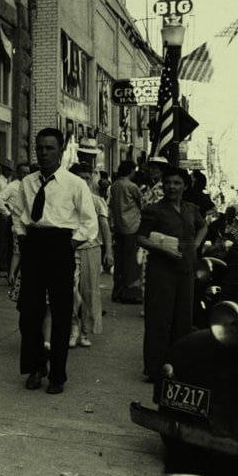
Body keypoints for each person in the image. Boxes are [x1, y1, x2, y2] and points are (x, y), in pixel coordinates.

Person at [11, 127, 98, 395]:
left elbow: (89, 223)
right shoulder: (28, 182)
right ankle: (36, 366)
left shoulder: (75, 184)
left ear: (61, 151)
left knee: (61, 313)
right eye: (40, 148)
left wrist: (68, 245)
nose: (44, 153)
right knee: (28, 313)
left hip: (61, 247)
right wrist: (23, 239)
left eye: (50, 148)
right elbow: (19, 214)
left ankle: (58, 374)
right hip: (34, 246)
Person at [137, 166, 207, 380]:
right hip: (162, 271)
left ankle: (177, 366)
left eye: (177, 183)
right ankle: (155, 368)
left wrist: (194, 246)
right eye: (168, 182)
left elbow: (203, 227)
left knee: (183, 319)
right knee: (159, 318)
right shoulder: (154, 210)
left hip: (186, 270)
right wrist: (162, 249)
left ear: (186, 186)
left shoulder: (190, 209)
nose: (171, 187)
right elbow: (140, 238)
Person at [68, 163, 113, 348]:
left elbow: (104, 227)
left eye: (87, 178)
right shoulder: (66, 199)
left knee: (89, 291)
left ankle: (85, 331)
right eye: (80, 178)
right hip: (69, 249)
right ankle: (73, 327)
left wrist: (108, 251)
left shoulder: (96, 201)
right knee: (70, 290)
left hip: (91, 249)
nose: (84, 182)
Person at [109, 160, 144, 304]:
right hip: (132, 226)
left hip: (118, 226)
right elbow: (142, 202)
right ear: (130, 170)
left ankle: (117, 290)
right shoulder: (131, 186)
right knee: (131, 262)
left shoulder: (115, 185)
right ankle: (129, 293)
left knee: (120, 261)